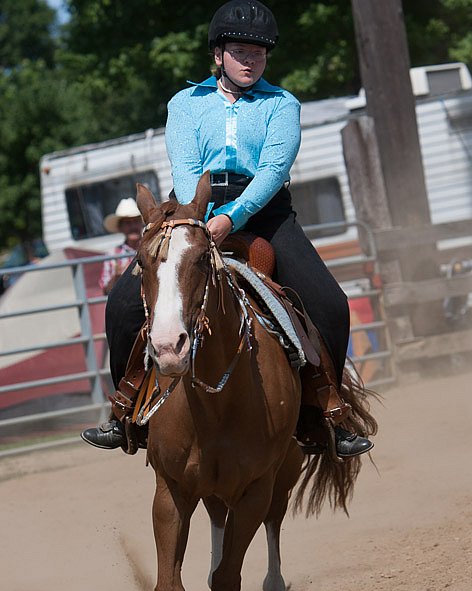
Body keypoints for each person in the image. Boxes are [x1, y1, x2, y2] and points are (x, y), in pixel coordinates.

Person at [81, 0, 374, 458]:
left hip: (267, 213)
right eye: (240, 50)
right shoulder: (185, 104)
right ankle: (126, 413)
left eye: (258, 52)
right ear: (218, 54)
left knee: (330, 304)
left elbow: (274, 170)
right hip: (193, 210)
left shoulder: (282, 105)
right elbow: (185, 168)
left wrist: (231, 218)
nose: (250, 59)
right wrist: (199, 217)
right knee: (121, 306)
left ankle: (325, 416)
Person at [99, 199, 143, 295]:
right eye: (127, 223)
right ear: (120, 227)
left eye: (136, 221)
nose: (133, 226)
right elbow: (106, 290)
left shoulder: (152, 247)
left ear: (141, 223)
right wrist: (117, 277)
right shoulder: (112, 254)